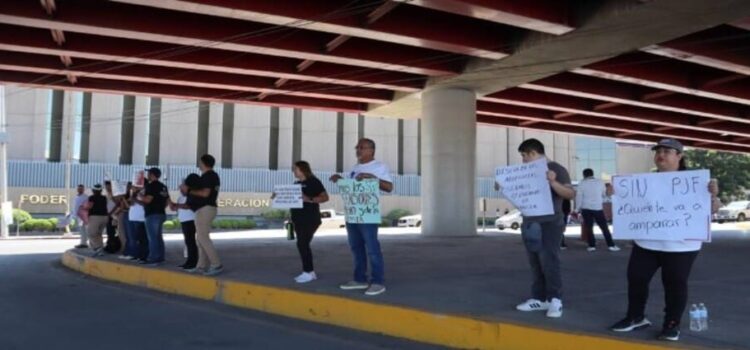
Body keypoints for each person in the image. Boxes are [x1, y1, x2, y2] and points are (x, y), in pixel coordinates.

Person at [610, 139, 722, 342]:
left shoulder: (696, 182)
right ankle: (635, 316)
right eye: (658, 151)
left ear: (679, 156)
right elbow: (631, 208)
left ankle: (672, 324)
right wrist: (616, 195)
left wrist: (714, 196)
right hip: (647, 243)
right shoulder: (643, 183)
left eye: (667, 151)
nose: (661, 154)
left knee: (674, 284)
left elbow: (714, 208)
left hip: (681, 246)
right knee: (636, 278)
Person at [497, 138, 575, 318]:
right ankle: (539, 298)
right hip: (530, 222)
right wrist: (505, 186)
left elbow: (570, 194)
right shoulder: (526, 172)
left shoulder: (557, 169)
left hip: (550, 223)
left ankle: (555, 299)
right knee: (535, 262)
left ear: (533, 153)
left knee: (550, 260)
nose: (523, 160)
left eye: (525, 156)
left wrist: (553, 182)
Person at [329, 138, 393, 296]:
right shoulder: (355, 168)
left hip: (368, 214)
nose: (358, 150)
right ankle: (359, 279)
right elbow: (354, 188)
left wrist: (373, 178)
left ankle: (378, 281)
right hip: (353, 213)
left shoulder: (379, 167)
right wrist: (340, 180)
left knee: (372, 248)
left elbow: (389, 187)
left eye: (362, 147)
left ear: (371, 150)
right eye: (357, 147)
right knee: (356, 247)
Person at [285, 161, 329, 283]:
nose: (293, 171)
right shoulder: (296, 183)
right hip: (297, 219)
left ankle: (308, 271)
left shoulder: (314, 182)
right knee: (301, 244)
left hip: (310, 218)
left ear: (303, 169)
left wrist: (309, 199)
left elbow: (325, 197)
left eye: (295, 169)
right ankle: (309, 272)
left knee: (302, 244)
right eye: (293, 169)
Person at [188, 154, 223, 276]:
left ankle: (216, 264)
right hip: (207, 208)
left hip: (205, 208)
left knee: (202, 237)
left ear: (203, 163)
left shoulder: (209, 176)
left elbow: (205, 193)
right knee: (201, 238)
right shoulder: (212, 176)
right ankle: (201, 266)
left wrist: (188, 190)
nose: (198, 163)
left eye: (199, 161)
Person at [576, 168, 620, 252]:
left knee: (589, 227)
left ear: (584, 175)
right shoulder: (600, 182)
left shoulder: (582, 183)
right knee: (604, 227)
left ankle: (591, 245)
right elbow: (604, 194)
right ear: (592, 174)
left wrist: (577, 208)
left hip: (586, 208)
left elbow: (579, 197)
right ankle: (611, 245)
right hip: (597, 208)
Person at [140, 167, 169, 266]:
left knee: (152, 237)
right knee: (158, 237)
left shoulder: (150, 186)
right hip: (161, 213)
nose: (147, 175)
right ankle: (160, 257)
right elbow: (166, 202)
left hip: (152, 214)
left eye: (148, 173)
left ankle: (154, 258)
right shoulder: (163, 186)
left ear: (152, 175)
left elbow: (148, 200)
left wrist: (139, 196)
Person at [170, 175, 199, 270]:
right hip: (184, 221)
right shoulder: (180, 197)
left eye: (182, 186)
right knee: (187, 241)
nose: (180, 188)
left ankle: (193, 262)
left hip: (190, 220)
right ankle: (189, 261)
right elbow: (176, 208)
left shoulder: (191, 195)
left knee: (190, 242)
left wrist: (177, 205)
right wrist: (173, 205)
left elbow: (187, 206)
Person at [86, 184, 109, 257]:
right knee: (99, 234)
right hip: (105, 217)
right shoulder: (104, 198)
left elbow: (89, 207)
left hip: (95, 217)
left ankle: (98, 248)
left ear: (93, 190)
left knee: (91, 234)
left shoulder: (91, 198)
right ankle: (100, 248)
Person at [128, 185, 148, 262]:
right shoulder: (134, 192)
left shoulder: (145, 192)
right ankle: (137, 255)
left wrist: (136, 198)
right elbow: (131, 203)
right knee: (135, 238)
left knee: (142, 239)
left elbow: (145, 203)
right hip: (132, 217)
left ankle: (144, 256)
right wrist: (133, 193)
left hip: (140, 218)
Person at [71, 184, 89, 249]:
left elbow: (87, 206)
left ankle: (84, 243)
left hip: (83, 216)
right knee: (81, 230)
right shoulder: (76, 197)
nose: (79, 190)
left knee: (84, 230)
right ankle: (83, 242)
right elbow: (75, 206)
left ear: (83, 189)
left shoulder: (85, 197)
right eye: (78, 188)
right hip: (77, 216)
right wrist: (73, 214)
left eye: (81, 189)